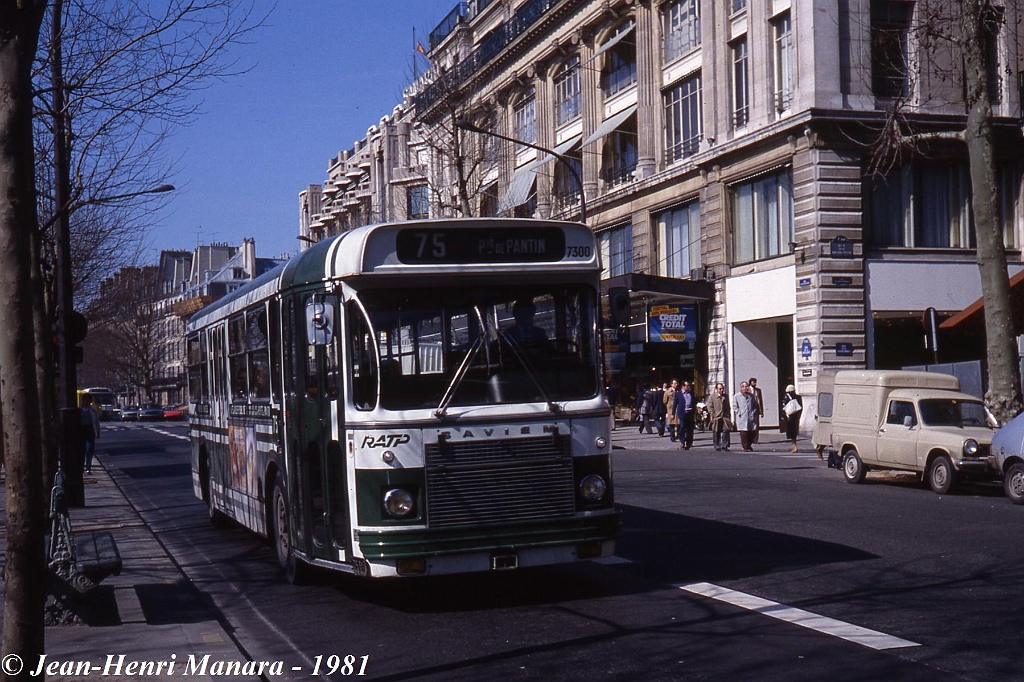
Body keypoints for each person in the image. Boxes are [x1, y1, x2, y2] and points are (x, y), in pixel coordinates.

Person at [731, 381, 758, 452]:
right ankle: (745, 446)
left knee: (752, 432)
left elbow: (755, 405)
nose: (745, 388)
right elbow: (734, 406)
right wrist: (739, 412)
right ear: (741, 388)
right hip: (742, 417)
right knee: (744, 433)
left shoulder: (751, 396)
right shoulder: (737, 396)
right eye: (744, 387)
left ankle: (749, 445)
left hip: (750, 417)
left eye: (747, 386)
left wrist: (753, 412)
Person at [80, 394, 101, 474]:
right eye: (84, 400)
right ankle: (81, 466)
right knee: (81, 450)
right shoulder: (79, 410)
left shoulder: (93, 410)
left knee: (89, 450)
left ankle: (88, 467)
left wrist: (98, 432)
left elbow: (96, 422)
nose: (85, 402)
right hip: (81, 431)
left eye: (87, 400)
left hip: (90, 430)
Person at [708, 382, 732, 451]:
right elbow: (709, 406)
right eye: (720, 389)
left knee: (726, 430)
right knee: (716, 431)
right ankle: (717, 445)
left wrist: (729, 415)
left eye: (722, 388)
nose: (722, 390)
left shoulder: (725, 396)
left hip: (725, 417)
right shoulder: (712, 397)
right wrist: (712, 414)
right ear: (716, 389)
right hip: (716, 417)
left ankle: (725, 445)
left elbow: (728, 406)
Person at [781, 384, 803, 453]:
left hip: (789, 417)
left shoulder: (786, 396)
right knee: (795, 432)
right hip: (796, 417)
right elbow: (801, 407)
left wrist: (783, 416)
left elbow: (783, 407)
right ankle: (794, 445)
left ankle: (794, 446)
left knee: (790, 432)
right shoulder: (798, 397)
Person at [674, 380, 695, 449]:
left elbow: (693, 402)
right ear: (683, 386)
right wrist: (672, 414)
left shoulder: (691, 393)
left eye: (689, 386)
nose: (688, 387)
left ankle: (689, 442)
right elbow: (675, 404)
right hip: (682, 413)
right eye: (687, 386)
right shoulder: (678, 394)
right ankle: (682, 441)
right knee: (682, 427)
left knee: (690, 429)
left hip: (690, 413)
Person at [749, 377, 764, 444]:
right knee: (750, 425)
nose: (754, 383)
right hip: (749, 409)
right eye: (753, 382)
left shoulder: (758, 390)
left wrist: (762, 411)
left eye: (755, 382)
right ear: (750, 382)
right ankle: (749, 439)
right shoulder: (747, 389)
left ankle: (755, 439)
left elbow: (760, 401)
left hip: (756, 408)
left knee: (756, 425)